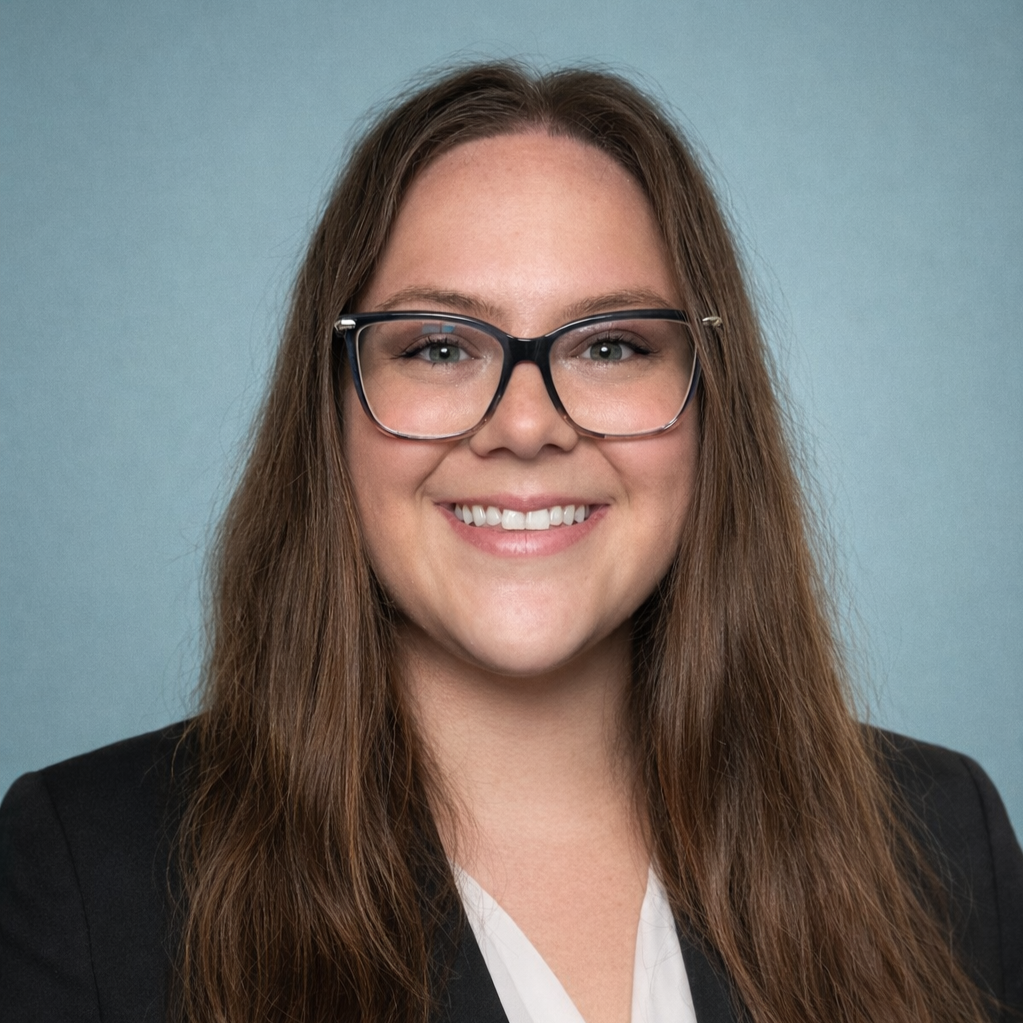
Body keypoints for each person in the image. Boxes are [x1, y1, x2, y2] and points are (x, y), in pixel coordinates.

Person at [1, 62, 1020, 1023]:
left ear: (713, 405)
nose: (526, 424)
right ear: (332, 409)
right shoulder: (89, 872)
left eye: (610, 345)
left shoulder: (940, 839)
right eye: (439, 346)